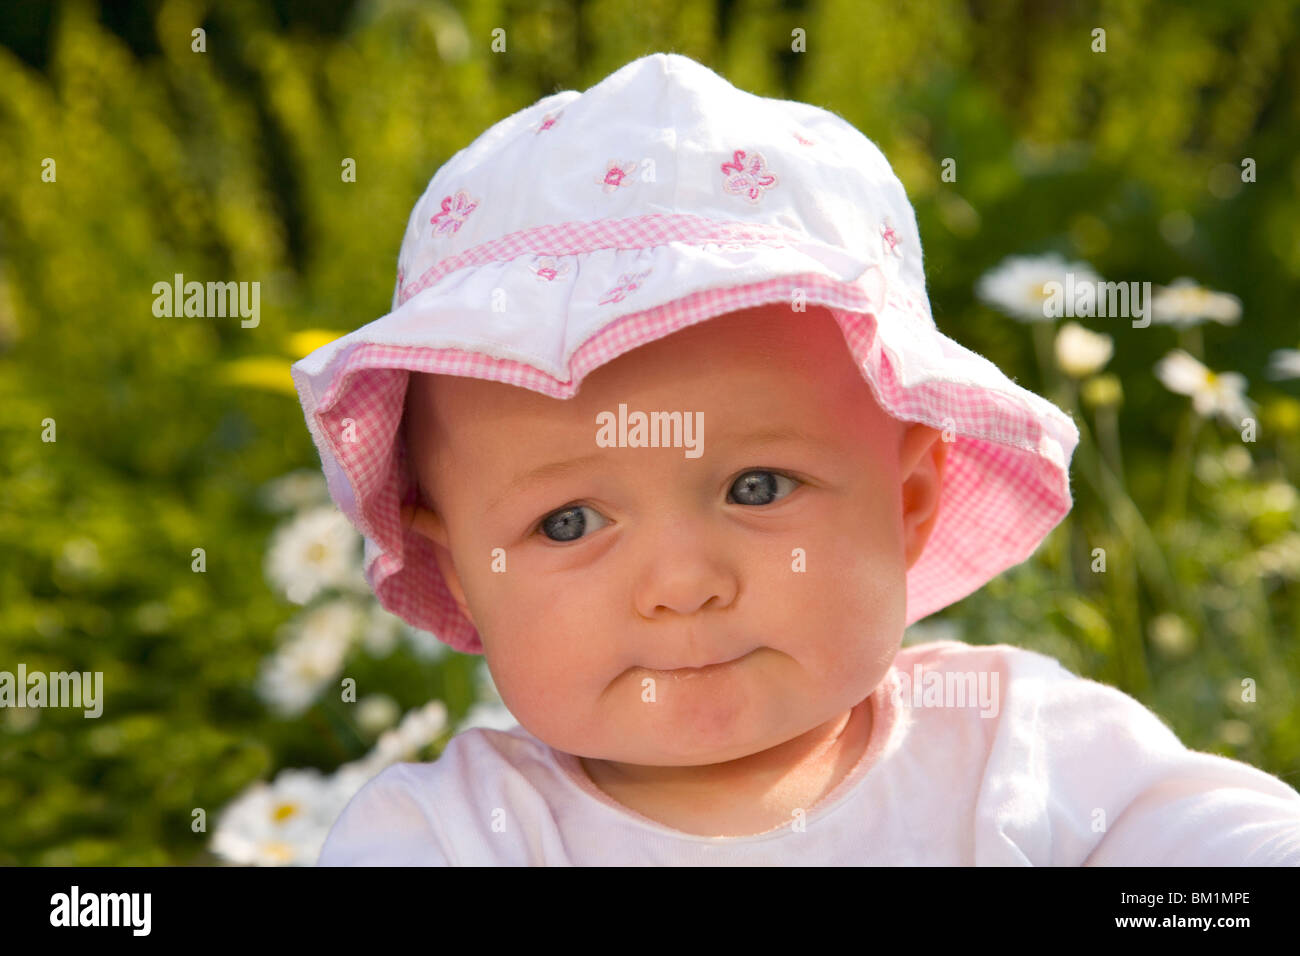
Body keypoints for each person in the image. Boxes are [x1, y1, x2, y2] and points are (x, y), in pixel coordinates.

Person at [291, 52, 1300, 864]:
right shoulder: (453, 837)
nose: (683, 583)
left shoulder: (1018, 754)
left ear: (908, 496)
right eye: (566, 521)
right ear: (464, 567)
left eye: (756, 486)